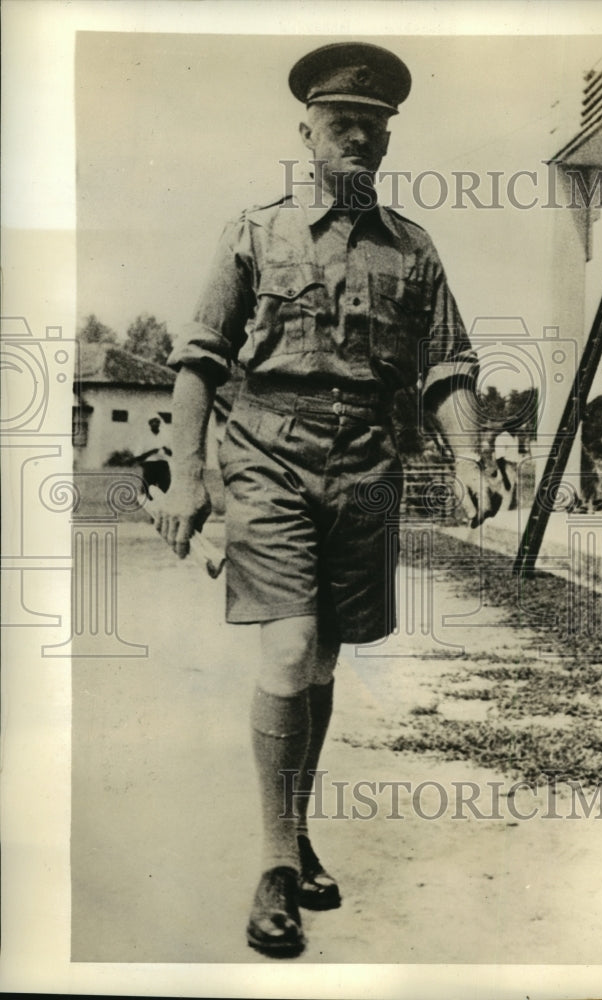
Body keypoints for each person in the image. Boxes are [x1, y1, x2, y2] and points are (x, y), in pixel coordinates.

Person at [157, 41, 506, 958]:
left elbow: (449, 366)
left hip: (366, 471)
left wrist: (468, 455)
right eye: (338, 120)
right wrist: (190, 477)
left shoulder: (413, 250)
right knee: (290, 644)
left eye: (372, 125)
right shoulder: (253, 232)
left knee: (322, 666)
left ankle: (295, 830)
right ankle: (275, 868)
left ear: (387, 141)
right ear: (305, 130)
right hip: (269, 455)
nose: (355, 135)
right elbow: (198, 358)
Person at [136, 412, 172, 495]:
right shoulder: (144, 437)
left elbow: (171, 454)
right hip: (150, 465)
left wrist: (166, 450)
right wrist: (151, 452)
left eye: (157, 421)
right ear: (149, 423)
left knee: (165, 487)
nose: (155, 423)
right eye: (152, 422)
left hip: (163, 464)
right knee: (147, 487)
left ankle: (163, 504)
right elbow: (138, 457)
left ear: (160, 423)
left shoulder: (165, 436)